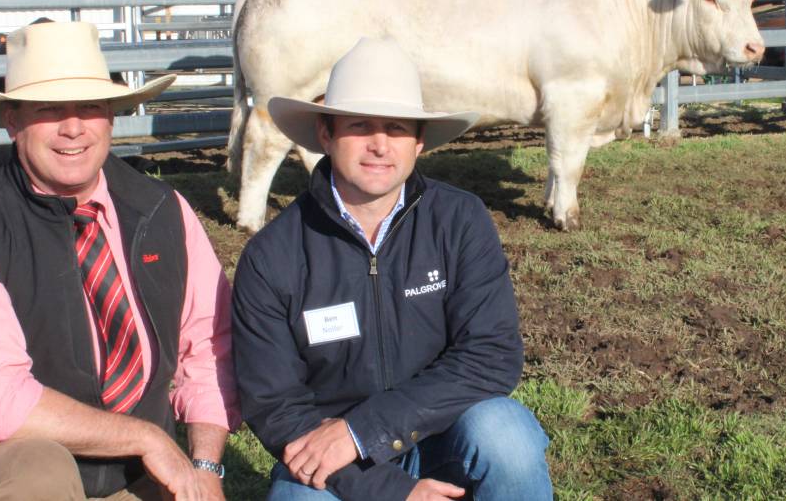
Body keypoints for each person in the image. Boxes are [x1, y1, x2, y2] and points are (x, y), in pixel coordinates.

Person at [0, 21, 240, 501]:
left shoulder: (164, 209)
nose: (73, 127)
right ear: (12, 122)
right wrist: (147, 438)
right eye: (49, 110)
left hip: (132, 474)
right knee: (40, 469)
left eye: (89, 108)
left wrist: (204, 465)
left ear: (111, 118)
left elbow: (207, 346)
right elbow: (0, 405)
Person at [231, 37, 553, 501]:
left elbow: (492, 354)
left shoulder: (460, 220)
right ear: (326, 133)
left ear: (419, 141)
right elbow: (275, 406)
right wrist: (390, 489)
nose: (380, 145)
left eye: (397, 127)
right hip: (338, 458)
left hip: (443, 429)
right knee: (298, 497)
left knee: (507, 434)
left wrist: (363, 430)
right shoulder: (271, 256)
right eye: (360, 125)